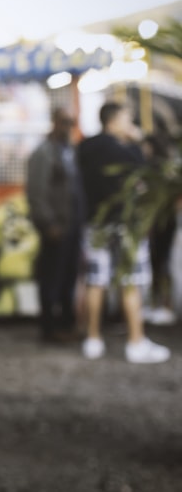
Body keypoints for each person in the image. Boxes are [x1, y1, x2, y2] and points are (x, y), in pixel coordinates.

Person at [76, 101, 170, 364]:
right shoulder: (128, 152)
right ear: (114, 121)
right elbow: (151, 171)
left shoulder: (86, 147)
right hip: (125, 223)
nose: (131, 125)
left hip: (95, 223)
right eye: (128, 119)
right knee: (130, 281)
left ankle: (93, 339)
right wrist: (139, 141)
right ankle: (135, 341)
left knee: (96, 280)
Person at [24, 106, 83, 343]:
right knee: (51, 278)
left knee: (69, 277)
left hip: (73, 226)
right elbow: (36, 193)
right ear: (54, 122)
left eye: (72, 122)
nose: (68, 127)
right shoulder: (44, 153)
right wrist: (48, 224)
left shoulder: (70, 151)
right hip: (55, 228)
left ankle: (66, 324)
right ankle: (49, 327)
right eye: (64, 122)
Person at [140, 132, 177, 326]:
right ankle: (160, 305)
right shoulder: (166, 169)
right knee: (160, 264)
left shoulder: (154, 170)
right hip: (163, 223)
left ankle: (162, 305)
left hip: (159, 223)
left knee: (159, 263)